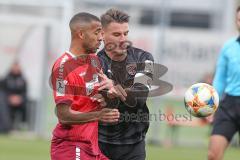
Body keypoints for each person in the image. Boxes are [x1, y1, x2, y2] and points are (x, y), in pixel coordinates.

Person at [50, 12, 120, 160]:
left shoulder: (94, 61)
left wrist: (110, 94)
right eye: (96, 33)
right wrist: (98, 115)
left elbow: (94, 100)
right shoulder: (63, 67)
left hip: (91, 147)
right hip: (71, 146)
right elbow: (63, 115)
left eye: (101, 33)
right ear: (81, 34)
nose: (101, 38)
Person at [97, 8, 154, 160]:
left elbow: (140, 97)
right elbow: (102, 102)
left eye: (125, 33)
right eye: (116, 34)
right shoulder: (94, 63)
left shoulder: (144, 58)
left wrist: (114, 86)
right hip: (99, 143)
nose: (123, 39)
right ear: (102, 34)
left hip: (134, 145)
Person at [208, 6, 240, 160]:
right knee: (213, 155)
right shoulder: (229, 46)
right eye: (239, 20)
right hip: (229, 105)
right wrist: (212, 105)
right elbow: (220, 78)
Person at [2, 61, 27, 130]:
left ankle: (23, 124)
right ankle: (7, 126)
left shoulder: (22, 80)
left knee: (25, 105)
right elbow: (3, 91)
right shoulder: (6, 79)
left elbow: (24, 92)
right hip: (8, 101)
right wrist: (10, 98)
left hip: (19, 101)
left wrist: (20, 98)